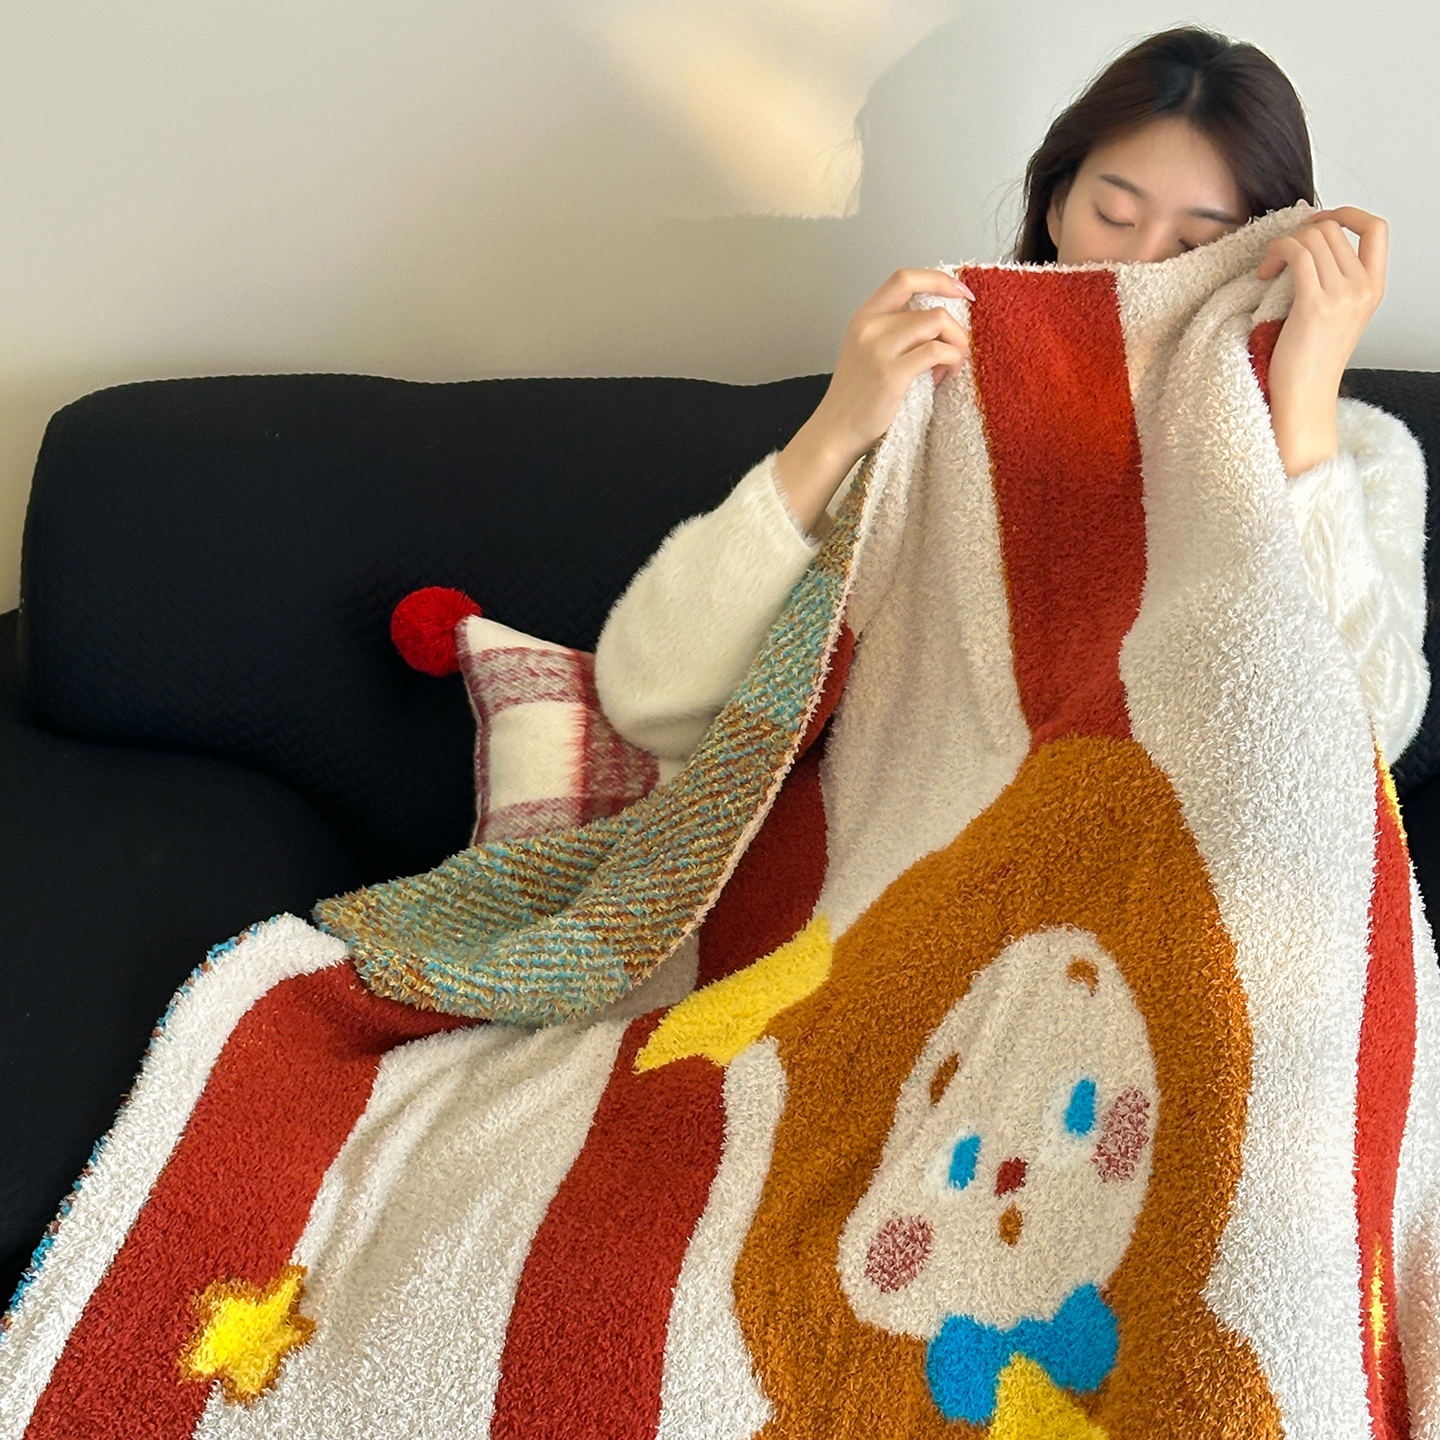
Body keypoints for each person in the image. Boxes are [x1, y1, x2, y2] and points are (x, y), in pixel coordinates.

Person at [592, 26, 1427, 771]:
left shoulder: (1356, 457)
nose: (1139, 264)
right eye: (1113, 214)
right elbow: (651, 696)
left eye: (1197, 243)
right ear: (1057, 206)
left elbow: (1362, 748)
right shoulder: (934, 409)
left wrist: (1302, 408)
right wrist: (836, 430)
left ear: (1265, 254)